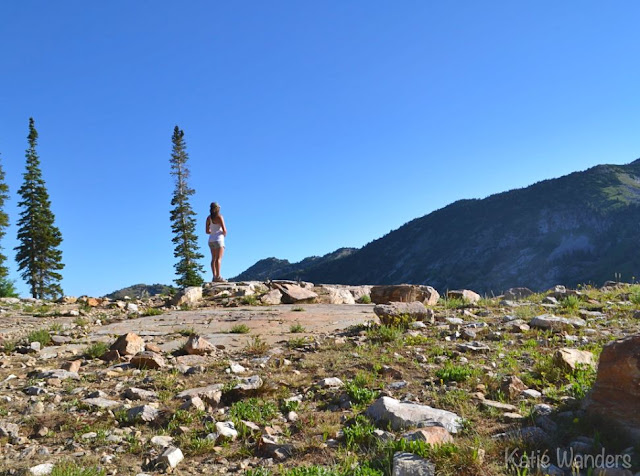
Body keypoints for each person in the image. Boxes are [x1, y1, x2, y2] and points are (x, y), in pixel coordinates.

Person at [206, 202, 227, 282]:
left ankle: (214, 276)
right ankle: (219, 276)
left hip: (211, 240)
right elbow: (224, 230)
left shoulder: (208, 218)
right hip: (219, 239)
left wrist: (212, 231)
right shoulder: (219, 217)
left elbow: (207, 231)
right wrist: (222, 234)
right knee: (219, 258)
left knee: (213, 259)